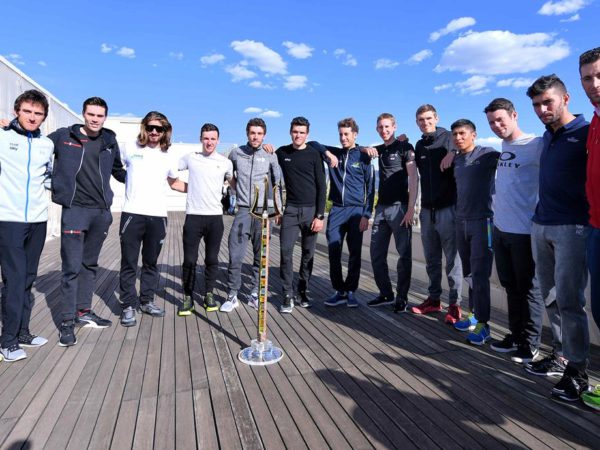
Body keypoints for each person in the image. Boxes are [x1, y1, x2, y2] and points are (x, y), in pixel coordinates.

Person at [523, 74, 591, 403]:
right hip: (542, 224)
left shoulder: (587, 132)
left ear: (565, 98)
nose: (542, 110)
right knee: (549, 296)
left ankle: (578, 372)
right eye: (536, 105)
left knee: (570, 300)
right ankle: (560, 356)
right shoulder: (547, 136)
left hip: (573, 227)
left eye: (547, 102)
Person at [48, 97, 126, 346]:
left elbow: (118, 171)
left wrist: (145, 176)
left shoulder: (109, 141)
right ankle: (67, 322)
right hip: (75, 210)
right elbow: (36, 147)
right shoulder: (63, 137)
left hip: (101, 213)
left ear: (105, 117)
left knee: (89, 265)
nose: (95, 119)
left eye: (100, 115)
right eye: (91, 114)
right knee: (71, 268)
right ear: (83, 114)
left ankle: (83, 311)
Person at [484, 98, 544, 363]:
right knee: (510, 286)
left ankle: (531, 344)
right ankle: (516, 335)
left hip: (525, 231)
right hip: (501, 229)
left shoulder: (536, 145)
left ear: (514, 115)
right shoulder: (503, 147)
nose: (496, 126)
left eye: (500, 119)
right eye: (491, 122)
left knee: (529, 288)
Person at [0, 90, 54, 362]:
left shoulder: (47, 144)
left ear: (44, 117)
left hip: (38, 220)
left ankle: (22, 332)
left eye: (38, 113)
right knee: (14, 279)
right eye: (27, 111)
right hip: (8, 219)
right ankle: (7, 341)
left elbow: (48, 177)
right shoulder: (3, 138)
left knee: (28, 278)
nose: (32, 117)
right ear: (16, 111)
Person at [118, 112, 186, 327]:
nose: (154, 132)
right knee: (129, 262)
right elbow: (113, 167)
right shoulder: (130, 148)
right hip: (132, 214)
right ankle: (128, 305)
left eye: (159, 128)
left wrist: (202, 188)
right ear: (144, 128)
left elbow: (174, 183)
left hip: (158, 216)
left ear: (166, 131)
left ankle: (146, 301)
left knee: (150, 263)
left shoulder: (169, 155)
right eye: (150, 127)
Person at [220, 118, 282, 312]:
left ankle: (254, 293)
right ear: (247, 134)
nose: (255, 137)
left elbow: (277, 183)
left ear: (264, 135)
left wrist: (278, 209)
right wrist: (236, 190)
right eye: (252, 133)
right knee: (235, 255)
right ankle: (232, 295)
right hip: (243, 211)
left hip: (263, 213)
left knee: (260, 256)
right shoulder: (236, 153)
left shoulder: (270, 154)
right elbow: (227, 174)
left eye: (259, 133)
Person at [410, 105, 463, 323]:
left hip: (448, 208)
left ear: (437, 118)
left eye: (428, 118)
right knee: (431, 259)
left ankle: (455, 305)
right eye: (421, 120)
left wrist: (453, 152)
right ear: (417, 123)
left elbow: (463, 146)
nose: (425, 123)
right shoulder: (420, 145)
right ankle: (433, 300)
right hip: (427, 210)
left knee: (452, 262)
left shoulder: (449, 137)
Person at [450, 119, 500, 345]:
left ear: (474, 135)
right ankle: (474, 315)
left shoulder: (487, 154)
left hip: (483, 222)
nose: (458, 138)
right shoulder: (457, 159)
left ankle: (484, 325)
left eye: (462, 133)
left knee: (480, 275)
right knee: (469, 274)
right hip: (461, 222)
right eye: (455, 134)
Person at [362, 113, 417, 313]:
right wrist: (365, 148)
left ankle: (402, 298)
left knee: (404, 256)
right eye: (380, 127)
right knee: (376, 254)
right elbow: (357, 148)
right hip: (381, 209)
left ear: (394, 127)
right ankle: (386, 294)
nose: (384, 130)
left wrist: (410, 209)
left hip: (400, 207)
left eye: (387, 127)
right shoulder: (379, 149)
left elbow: (413, 178)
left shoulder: (405, 147)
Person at [178, 123, 233, 316]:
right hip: (193, 216)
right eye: (206, 138)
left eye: (213, 139)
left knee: (211, 259)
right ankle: (188, 297)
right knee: (189, 260)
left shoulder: (225, 162)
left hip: (215, 218)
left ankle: (209, 294)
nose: (209, 142)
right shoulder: (191, 158)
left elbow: (235, 183)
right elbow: (169, 170)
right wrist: (187, 188)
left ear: (218, 140)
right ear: (201, 139)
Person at [322, 118, 375, 308]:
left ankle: (351, 290)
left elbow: (371, 189)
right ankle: (340, 291)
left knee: (354, 253)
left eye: (346, 134)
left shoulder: (364, 157)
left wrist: (366, 215)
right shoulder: (335, 153)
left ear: (355, 135)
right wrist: (328, 153)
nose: (343, 138)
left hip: (356, 211)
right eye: (341, 134)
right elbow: (313, 144)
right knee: (333, 251)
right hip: (336, 209)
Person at [275, 117, 326, 313]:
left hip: (311, 212)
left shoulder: (314, 155)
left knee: (308, 254)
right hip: (290, 211)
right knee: (286, 252)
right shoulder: (282, 153)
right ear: (290, 132)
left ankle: (302, 291)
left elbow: (322, 187)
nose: (298, 135)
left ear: (307, 134)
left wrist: (319, 216)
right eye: (295, 131)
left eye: (302, 132)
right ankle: (287, 294)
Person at [579, 47, 600, 411]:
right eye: (587, 78)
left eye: (599, 76)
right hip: (595, 226)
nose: (594, 84)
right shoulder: (594, 124)